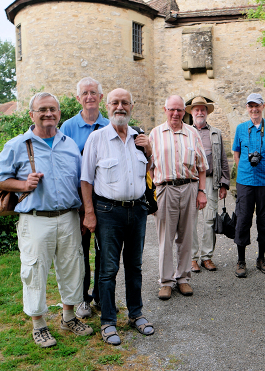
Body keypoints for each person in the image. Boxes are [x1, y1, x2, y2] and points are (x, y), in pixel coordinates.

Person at [0, 92, 93, 348]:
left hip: (69, 217)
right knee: (34, 270)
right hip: (35, 219)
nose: (48, 114)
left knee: (72, 267)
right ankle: (39, 324)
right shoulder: (17, 145)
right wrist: (24, 184)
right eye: (42, 109)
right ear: (32, 115)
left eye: (53, 109)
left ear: (59, 113)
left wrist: (84, 214)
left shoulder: (69, 144)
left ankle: (69, 317)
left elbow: (80, 183)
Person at [81, 88, 155, 345]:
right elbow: (86, 180)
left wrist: (149, 153)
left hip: (137, 209)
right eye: (115, 102)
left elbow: (149, 174)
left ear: (131, 106)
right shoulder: (97, 138)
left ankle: (136, 314)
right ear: (108, 106)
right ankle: (108, 322)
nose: (120, 107)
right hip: (108, 212)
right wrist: (89, 213)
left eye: (125, 102)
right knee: (108, 269)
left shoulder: (139, 137)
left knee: (135, 267)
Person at [149, 95, 209, 300]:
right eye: (171, 109)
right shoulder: (155, 134)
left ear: (185, 112)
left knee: (186, 236)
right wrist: (154, 190)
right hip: (165, 190)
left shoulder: (192, 133)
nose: (175, 113)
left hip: (190, 188)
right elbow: (148, 167)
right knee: (165, 237)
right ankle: (166, 281)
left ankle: (183, 278)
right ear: (165, 110)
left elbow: (202, 168)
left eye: (179, 110)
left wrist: (201, 192)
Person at [60, 77, 110, 319]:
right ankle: (81, 299)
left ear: (101, 98)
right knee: (79, 252)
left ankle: (101, 296)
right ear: (78, 98)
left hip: (105, 200)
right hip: (78, 202)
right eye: (85, 93)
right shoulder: (68, 128)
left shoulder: (110, 125)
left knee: (104, 251)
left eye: (94, 93)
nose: (89, 97)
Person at [232, 93, 265, 278]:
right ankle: (241, 260)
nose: (254, 109)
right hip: (245, 182)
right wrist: (243, 169)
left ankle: (261, 258)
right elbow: (236, 153)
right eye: (250, 106)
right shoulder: (241, 128)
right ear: (247, 108)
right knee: (243, 220)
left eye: (257, 106)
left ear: (263, 106)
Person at [187, 96, 230, 272]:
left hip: (211, 181)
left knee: (209, 219)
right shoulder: (186, 131)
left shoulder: (216, 133)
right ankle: (192, 258)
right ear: (192, 113)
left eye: (203, 109)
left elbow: (223, 159)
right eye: (196, 109)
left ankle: (206, 257)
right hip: (190, 181)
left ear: (206, 112)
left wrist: (224, 183)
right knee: (190, 220)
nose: (200, 112)